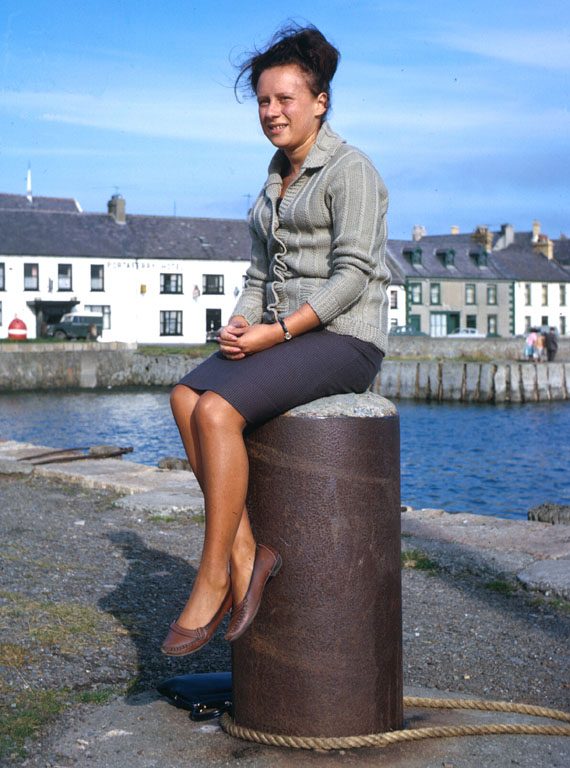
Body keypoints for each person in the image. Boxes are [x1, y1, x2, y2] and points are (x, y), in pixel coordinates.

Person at [161, 24, 390, 656]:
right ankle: (243, 551)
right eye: (264, 101)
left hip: (344, 338)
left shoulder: (352, 170)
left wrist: (277, 332)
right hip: (280, 337)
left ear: (320, 102)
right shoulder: (272, 182)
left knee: (217, 408)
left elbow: (354, 276)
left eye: (286, 99)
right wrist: (240, 325)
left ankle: (213, 575)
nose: (272, 113)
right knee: (185, 395)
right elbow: (260, 275)